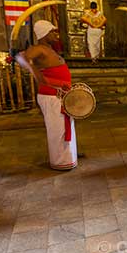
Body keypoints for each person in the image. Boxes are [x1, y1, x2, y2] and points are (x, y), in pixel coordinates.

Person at [16, 20, 78, 170]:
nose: (55, 34)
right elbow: (20, 57)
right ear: (44, 34)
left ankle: (68, 158)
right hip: (51, 95)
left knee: (64, 127)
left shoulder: (49, 49)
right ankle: (60, 162)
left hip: (60, 94)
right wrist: (37, 75)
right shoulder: (38, 49)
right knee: (57, 129)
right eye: (52, 32)